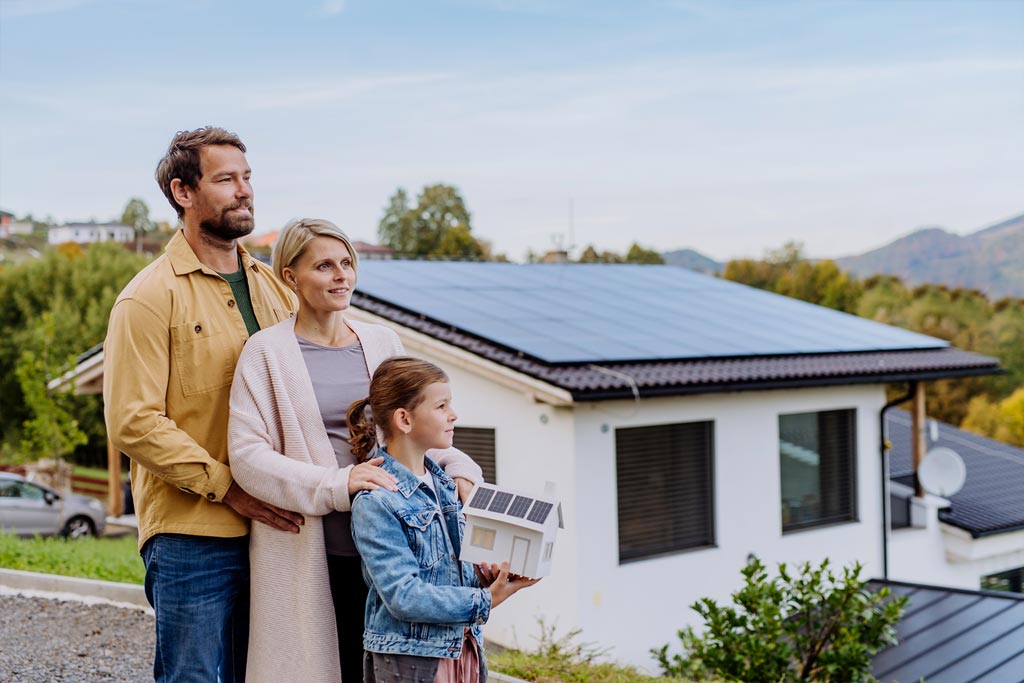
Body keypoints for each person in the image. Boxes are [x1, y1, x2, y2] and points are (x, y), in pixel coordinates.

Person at [227, 218, 483, 683]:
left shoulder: (382, 342)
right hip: (312, 547)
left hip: (393, 551)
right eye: (324, 266)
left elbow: (411, 428)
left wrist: (459, 467)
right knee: (323, 668)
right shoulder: (264, 353)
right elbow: (247, 457)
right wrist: (337, 483)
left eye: (347, 263)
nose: (342, 275)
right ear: (290, 277)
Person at [103, 127, 304, 682]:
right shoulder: (147, 298)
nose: (244, 192)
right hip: (194, 534)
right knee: (193, 677)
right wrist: (229, 486)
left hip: (276, 527)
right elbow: (133, 422)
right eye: (225, 180)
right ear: (183, 192)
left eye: (246, 178)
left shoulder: (275, 288)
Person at [349, 357, 538, 683]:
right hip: (411, 659)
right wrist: (486, 599)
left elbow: (447, 571)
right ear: (404, 419)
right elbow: (403, 595)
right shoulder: (376, 501)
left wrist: (488, 576)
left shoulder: (448, 486)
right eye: (441, 406)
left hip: (464, 648)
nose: (454, 414)